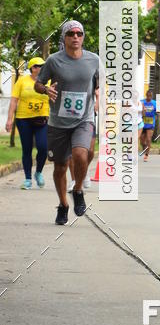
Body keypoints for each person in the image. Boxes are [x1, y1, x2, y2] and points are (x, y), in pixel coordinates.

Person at [35, 20, 99, 225]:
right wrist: (46, 90)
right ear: (64, 37)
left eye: (79, 34)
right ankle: (63, 205)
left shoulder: (93, 60)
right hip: (58, 122)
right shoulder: (54, 61)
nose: (75, 37)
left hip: (83, 118)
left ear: (83, 37)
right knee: (60, 166)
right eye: (71, 33)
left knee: (81, 154)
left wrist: (98, 99)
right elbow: (38, 84)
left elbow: (98, 84)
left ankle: (78, 189)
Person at [5, 56, 49, 189]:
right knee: (27, 149)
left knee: (43, 147)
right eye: (38, 66)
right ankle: (28, 179)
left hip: (42, 119)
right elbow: (14, 100)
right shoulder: (22, 81)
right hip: (24, 119)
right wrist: (9, 119)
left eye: (43, 66)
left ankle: (39, 172)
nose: (41, 68)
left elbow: (55, 97)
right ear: (32, 68)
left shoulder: (48, 81)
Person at [141, 90, 156, 161]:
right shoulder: (142, 102)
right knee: (142, 141)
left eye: (151, 96)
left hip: (150, 123)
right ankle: (145, 149)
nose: (149, 97)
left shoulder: (154, 103)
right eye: (148, 95)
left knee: (148, 139)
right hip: (142, 123)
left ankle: (146, 155)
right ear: (146, 95)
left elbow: (158, 112)